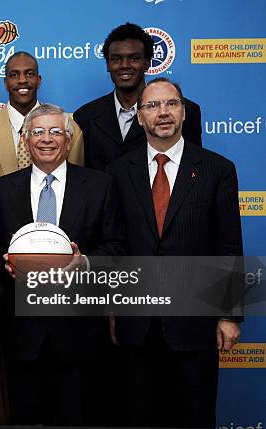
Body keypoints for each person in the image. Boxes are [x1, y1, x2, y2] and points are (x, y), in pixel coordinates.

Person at [107, 78, 243, 427]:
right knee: (139, 415)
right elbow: (116, 245)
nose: (162, 113)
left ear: (184, 111)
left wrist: (229, 315)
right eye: (152, 106)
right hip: (137, 324)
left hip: (195, 322)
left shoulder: (217, 169)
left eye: (171, 104)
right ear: (139, 118)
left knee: (194, 415)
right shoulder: (119, 172)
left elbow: (229, 246)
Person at [0, 103, 124, 425]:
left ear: (69, 139)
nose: (47, 139)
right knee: (25, 417)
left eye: (56, 131)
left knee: (77, 417)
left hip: (81, 333)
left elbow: (117, 248)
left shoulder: (100, 185)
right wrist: (2, 263)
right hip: (22, 332)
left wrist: (84, 262)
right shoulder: (1, 190)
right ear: (26, 140)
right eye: (38, 132)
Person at [74, 22, 202, 171]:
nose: (124, 65)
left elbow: (194, 169)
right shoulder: (85, 117)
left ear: (147, 62)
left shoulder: (183, 111)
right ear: (108, 65)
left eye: (134, 58)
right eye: (116, 59)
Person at [0, 51, 83, 192]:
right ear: (5, 82)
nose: (22, 80)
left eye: (29, 74)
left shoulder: (70, 129)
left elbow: (76, 188)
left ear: (39, 80)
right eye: (14, 75)